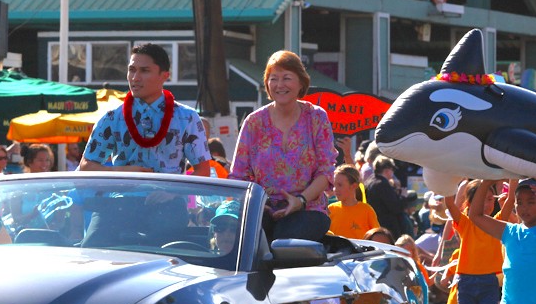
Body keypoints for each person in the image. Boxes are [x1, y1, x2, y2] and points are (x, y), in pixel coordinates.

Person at [229, 50, 332, 241]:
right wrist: (257, 203)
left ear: (301, 82)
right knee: (244, 240)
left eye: (286, 78)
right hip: (261, 208)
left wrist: (300, 201)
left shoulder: (316, 117)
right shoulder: (254, 122)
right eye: (273, 78)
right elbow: (239, 175)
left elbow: (326, 172)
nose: (279, 85)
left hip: (307, 208)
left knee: (284, 243)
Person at [81, 43, 211, 176]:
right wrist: (120, 171)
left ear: (165, 76)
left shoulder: (187, 117)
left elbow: (203, 171)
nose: (135, 77)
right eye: (132, 69)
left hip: (172, 196)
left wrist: (173, 193)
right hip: (123, 196)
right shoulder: (112, 118)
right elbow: (85, 167)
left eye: (144, 71)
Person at [327, 165, 379, 240]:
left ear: (354, 186)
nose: (335, 189)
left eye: (340, 185)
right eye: (334, 185)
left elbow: (377, 237)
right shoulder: (330, 210)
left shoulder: (367, 210)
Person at [365, 157, 406, 236]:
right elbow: (396, 207)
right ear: (387, 170)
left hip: (372, 224)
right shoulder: (382, 184)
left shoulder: (369, 181)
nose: (393, 172)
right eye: (392, 170)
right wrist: (403, 196)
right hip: (385, 227)